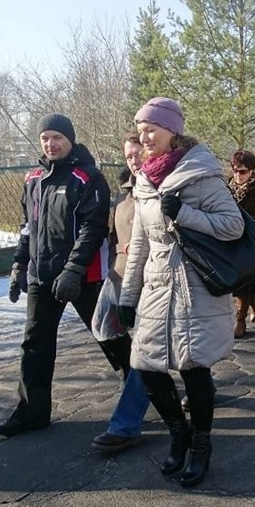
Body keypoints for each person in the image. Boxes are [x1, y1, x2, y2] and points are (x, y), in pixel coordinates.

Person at [118, 97, 243, 488]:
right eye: (140, 131)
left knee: (194, 370)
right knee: (147, 367)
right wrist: (127, 296)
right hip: (156, 288)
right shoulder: (143, 181)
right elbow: (140, 242)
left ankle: (201, 447)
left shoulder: (201, 174)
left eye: (151, 129)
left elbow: (232, 226)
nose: (144, 137)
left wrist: (184, 214)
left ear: (173, 130)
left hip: (196, 288)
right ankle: (179, 435)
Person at [0, 114, 133, 437]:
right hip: (42, 278)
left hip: (82, 277)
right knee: (34, 344)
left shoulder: (88, 178)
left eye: (57, 137)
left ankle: (141, 381)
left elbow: (93, 228)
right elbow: (27, 229)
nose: (50, 143)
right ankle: (32, 411)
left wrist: (73, 270)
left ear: (70, 139)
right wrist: (18, 266)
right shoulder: (33, 180)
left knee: (108, 333)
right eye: (45, 138)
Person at [90, 134, 152, 453]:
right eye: (128, 155)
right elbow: (114, 234)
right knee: (103, 327)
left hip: (152, 280)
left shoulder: (160, 187)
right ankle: (135, 376)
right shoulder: (124, 194)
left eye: (138, 152)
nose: (133, 158)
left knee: (148, 349)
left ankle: (125, 425)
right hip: (119, 273)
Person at [228, 149, 255, 338]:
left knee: (244, 283)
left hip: (249, 245)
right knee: (231, 283)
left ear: (252, 171)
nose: (238, 175)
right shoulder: (225, 188)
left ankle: (240, 319)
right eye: (235, 170)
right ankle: (254, 300)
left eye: (243, 171)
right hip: (227, 241)